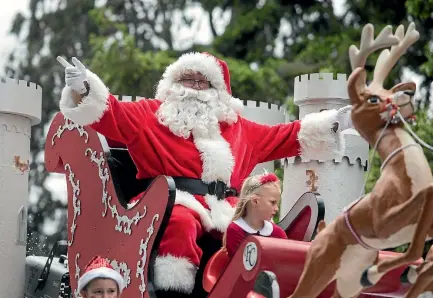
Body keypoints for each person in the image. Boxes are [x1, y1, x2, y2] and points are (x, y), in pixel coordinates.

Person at [57, 52, 352, 297]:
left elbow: (285, 136)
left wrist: (331, 124)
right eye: (188, 79)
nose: (195, 87)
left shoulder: (240, 129)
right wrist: (84, 89)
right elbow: (112, 113)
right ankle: (176, 292)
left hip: (227, 210)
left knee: (265, 232)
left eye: (204, 81)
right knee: (183, 222)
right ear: (173, 84)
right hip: (170, 204)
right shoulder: (151, 115)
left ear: (219, 91)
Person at [223, 172, 287, 258]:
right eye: (272, 202)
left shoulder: (278, 233)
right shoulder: (235, 230)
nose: (276, 208)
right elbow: (239, 266)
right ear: (255, 201)